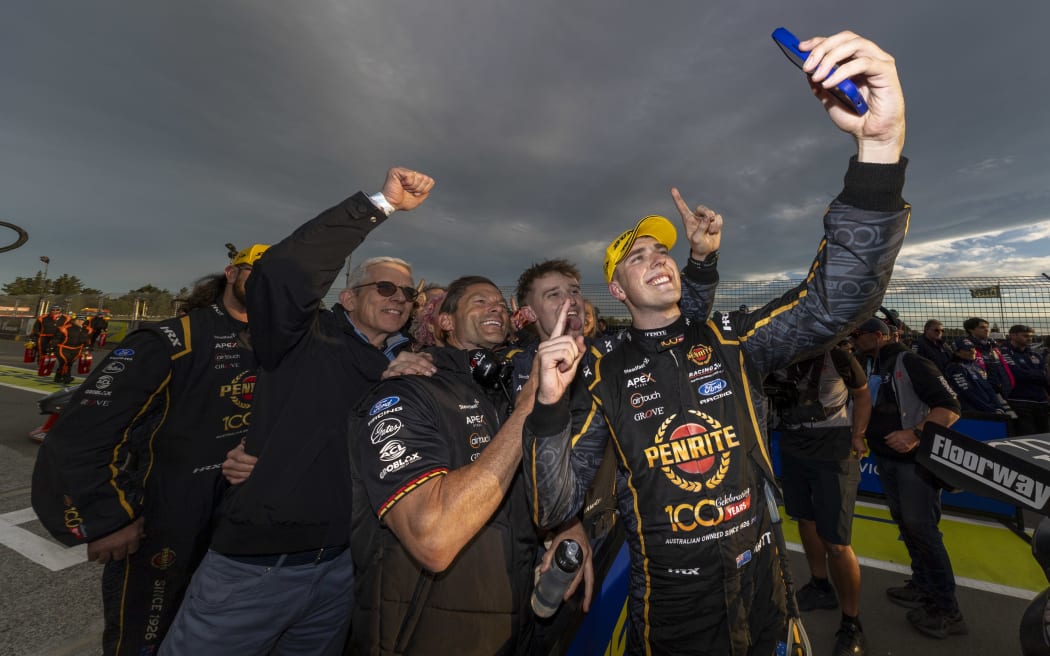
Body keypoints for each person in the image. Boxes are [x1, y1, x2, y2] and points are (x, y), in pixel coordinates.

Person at [524, 30, 910, 654]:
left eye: (662, 250)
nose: (657, 259)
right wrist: (545, 407)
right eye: (636, 258)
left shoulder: (732, 339)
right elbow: (554, 504)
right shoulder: (599, 371)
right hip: (673, 611)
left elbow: (838, 299)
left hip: (763, 590)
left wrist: (880, 149)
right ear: (617, 292)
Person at [162, 168, 435, 656]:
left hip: (339, 570)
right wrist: (380, 205)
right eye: (385, 288)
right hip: (255, 569)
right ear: (349, 297)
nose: (399, 298)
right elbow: (283, 273)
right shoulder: (302, 336)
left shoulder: (400, 360)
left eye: (408, 293)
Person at [30, 244, 267, 655]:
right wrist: (108, 517)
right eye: (255, 271)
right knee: (144, 638)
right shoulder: (172, 338)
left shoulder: (274, 343)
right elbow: (82, 432)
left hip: (230, 517)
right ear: (231, 273)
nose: (266, 282)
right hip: (162, 518)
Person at [350, 275, 547, 654]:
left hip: (507, 621)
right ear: (445, 322)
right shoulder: (409, 389)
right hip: (421, 634)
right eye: (478, 301)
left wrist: (565, 529)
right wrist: (527, 412)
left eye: (499, 304)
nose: (495, 307)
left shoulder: (506, 389)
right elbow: (432, 537)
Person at [851, 317, 965, 639]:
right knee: (906, 525)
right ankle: (923, 585)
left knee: (923, 530)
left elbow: (950, 406)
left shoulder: (911, 361)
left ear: (878, 335)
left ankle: (948, 610)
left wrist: (914, 434)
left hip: (916, 462)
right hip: (887, 459)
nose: (855, 340)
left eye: (859, 334)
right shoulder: (868, 363)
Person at [776, 346, 871, 654]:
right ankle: (820, 585)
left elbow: (863, 394)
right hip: (793, 445)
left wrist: (858, 433)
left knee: (837, 542)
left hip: (834, 450)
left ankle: (852, 621)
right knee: (805, 520)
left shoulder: (839, 355)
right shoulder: (778, 354)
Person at [944, 336, 1014, 415]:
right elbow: (967, 393)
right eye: (967, 349)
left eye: (973, 348)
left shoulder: (976, 365)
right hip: (973, 413)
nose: (973, 351)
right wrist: (990, 409)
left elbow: (989, 388)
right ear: (957, 352)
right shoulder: (955, 367)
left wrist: (998, 407)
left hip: (990, 409)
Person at [1000, 324, 1050, 435]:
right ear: (1013, 335)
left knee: (1045, 436)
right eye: (1025, 336)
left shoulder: (1034, 354)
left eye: (1031, 336)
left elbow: (1045, 376)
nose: (1029, 338)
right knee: (1026, 436)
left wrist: (1034, 374)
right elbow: (1017, 374)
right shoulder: (1005, 352)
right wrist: (1038, 374)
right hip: (1019, 401)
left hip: (1041, 402)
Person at [962, 317, 1014, 397]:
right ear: (971, 330)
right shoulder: (965, 348)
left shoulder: (993, 346)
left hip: (1003, 390)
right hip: (983, 392)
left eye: (987, 327)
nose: (987, 330)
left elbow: (1003, 367)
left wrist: (1009, 383)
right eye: (982, 327)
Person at [52, 314, 91, 384]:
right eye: (78, 320)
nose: (80, 321)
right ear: (74, 320)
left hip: (77, 349)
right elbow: (57, 338)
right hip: (63, 348)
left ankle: (58, 377)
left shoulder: (86, 329)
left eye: (82, 320)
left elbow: (86, 339)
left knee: (69, 363)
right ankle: (66, 377)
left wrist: (87, 347)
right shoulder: (65, 328)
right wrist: (51, 347)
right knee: (65, 362)